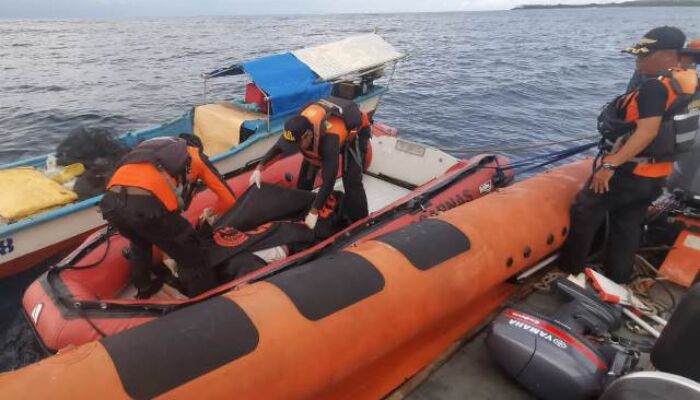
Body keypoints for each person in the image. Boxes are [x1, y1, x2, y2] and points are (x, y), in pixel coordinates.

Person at [561, 26, 699, 284]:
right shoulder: (690, 82)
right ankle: (618, 277)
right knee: (629, 224)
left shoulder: (655, 89)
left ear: (668, 55)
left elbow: (646, 132)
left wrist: (609, 165)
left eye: (645, 55)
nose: (638, 61)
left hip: (631, 172)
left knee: (585, 210)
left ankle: (571, 272)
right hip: (658, 173)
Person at [100, 134, 236, 298]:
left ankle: (144, 289)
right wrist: (211, 213)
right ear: (196, 148)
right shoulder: (195, 156)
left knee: (140, 243)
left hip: (111, 204)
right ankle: (203, 300)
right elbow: (229, 199)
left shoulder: (153, 156)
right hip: (146, 204)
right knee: (193, 254)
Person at [250, 98, 372, 229]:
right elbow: (278, 148)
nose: (295, 148)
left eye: (297, 145)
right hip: (320, 137)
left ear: (308, 135)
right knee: (304, 181)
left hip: (355, 133)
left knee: (352, 182)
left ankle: (361, 223)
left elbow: (328, 182)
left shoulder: (329, 142)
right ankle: (301, 212)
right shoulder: (295, 129)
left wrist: (314, 212)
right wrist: (259, 169)